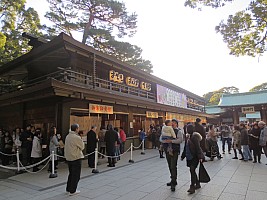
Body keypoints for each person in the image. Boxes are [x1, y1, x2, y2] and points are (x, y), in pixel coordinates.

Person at [160, 119, 183, 192]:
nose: (172, 124)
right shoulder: (166, 130)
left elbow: (180, 140)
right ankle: (173, 179)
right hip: (167, 150)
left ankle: (173, 182)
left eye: (174, 123)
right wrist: (164, 140)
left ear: (176, 124)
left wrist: (171, 141)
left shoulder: (178, 131)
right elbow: (160, 138)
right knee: (170, 165)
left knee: (173, 166)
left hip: (174, 151)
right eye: (171, 123)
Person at [181, 124, 204, 194]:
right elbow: (185, 147)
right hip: (189, 156)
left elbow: (198, 148)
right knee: (192, 170)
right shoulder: (188, 137)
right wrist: (183, 155)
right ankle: (197, 183)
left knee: (192, 169)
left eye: (188, 129)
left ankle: (192, 186)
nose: (187, 130)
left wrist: (200, 157)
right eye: (187, 129)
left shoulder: (194, 137)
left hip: (195, 157)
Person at [65, 124, 84, 196]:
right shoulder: (76, 137)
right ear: (76, 129)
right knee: (76, 175)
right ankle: (72, 190)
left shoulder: (68, 136)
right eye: (78, 128)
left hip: (69, 157)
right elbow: (82, 147)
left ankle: (68, 188)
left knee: (71, 174)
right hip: (76, 157)